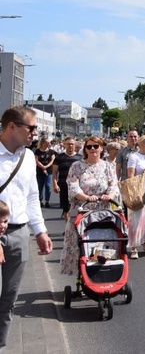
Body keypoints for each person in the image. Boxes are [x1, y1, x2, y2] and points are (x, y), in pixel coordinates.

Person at [0, 107, 53, 348]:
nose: (35, 133)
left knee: (9, 297)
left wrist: (40, 231)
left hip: (19, 232)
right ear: (11, 126)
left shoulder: (28, 157)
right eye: (31, 128)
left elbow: (32, 196)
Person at [59, 136, 119, 273]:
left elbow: (113, 184)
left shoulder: (107, 166)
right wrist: (87, 197)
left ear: (101, 148)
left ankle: (100, 272)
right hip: (82, 209)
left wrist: (109, 195)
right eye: (89, 146)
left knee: (100, 243)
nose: (92, 149)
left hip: (102, 210)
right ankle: (80, 275)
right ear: (85, 149)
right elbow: (73, 187)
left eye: (95, 146)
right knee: (78, 244)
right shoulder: (77, 166)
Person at [52, 137, 81, 222]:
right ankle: (67, 227)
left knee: (77, 207)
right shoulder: (59, 158)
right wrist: (55, 184)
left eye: (72, 144)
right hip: (63, 185)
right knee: (66, 207)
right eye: (68, 144)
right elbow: (54, 173)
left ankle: (76, 225)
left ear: (75, 145)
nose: (70, 146)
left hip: (77, 186)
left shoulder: (80, 158)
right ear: (64, 145)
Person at [34, 137, 55, 208]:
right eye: (47, 142)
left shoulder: (51, 151)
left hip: (48, 172)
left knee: (48, 186)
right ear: (42, 143)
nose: (49, 144)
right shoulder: (37, 151)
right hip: (39, 172)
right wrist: (42, 167)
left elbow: (52, 160)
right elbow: (36, 160)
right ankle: (40, 201)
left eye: (49, 142)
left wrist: (46, 167)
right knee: (39, 187)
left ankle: (47, 201)